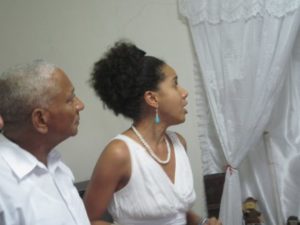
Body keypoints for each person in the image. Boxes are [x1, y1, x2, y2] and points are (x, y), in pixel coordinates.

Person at [83, 41, 222, 225]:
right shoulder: (119, 153)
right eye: (175, 84)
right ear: (152, 98)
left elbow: (175, 210)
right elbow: (88, 219)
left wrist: (203, 222)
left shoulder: (179, 144)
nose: (184, 93)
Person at [0, 60, 90, 225]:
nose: (80, 105)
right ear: (40, 119)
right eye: (70, 99)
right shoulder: (4, 184)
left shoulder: (57, 165)